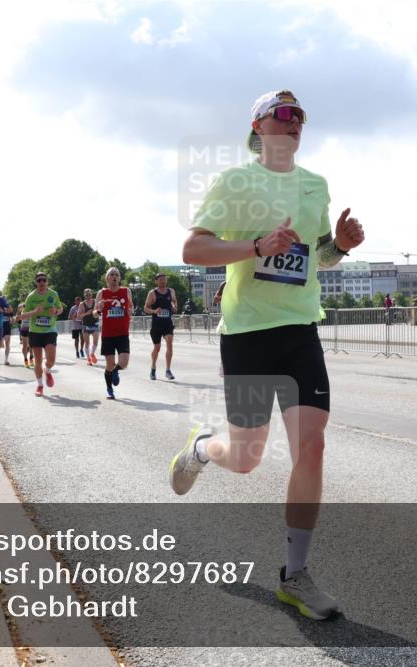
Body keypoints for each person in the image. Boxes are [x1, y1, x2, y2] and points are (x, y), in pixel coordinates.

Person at [168, 89, 364, 620]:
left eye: (301, 115)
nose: (295, 121)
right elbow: (194, 250)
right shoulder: (235, 181)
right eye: (283, 114)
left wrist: (340, 245)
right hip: (249, 332)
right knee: (248, 458)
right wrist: (256, 248)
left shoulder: (314, 185)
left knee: (313, 446)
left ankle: (294, 575)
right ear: (258, 126)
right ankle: (204, 449)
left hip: (300, 328)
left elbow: (318, 258)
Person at [22, 272, 64, 396]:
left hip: (50, 330)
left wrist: (56, 311)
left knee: (51, 359)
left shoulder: (53, 294)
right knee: (38, 361)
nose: (41, 282)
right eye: (39, 280)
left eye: (43, 280)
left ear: (47, 282)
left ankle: (48, 370)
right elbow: (23, 315)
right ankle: (40, 385)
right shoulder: (31, 297)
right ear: (36, 282)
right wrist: (35, 311)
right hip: (35, 331)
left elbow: (60, 309)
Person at [95, 268, 133, 400]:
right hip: (108, 334)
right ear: (107, 278)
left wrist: (130, 311)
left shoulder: (126, 291)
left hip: (122, 333)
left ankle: (116, 371)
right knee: (109, 364)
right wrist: (99, 310)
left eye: (117, 274)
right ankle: (109, 389)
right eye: (111, 275)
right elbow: (94, 313)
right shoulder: (102, 293)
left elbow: (131, 306)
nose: (114, 277)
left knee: (124, 362)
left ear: (119, 278)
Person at [145, 272, 177, 380]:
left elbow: (174, 302)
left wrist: (174, 307)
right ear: (156, 281)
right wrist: (154, 311)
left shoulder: (171, 291)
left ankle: (168, 370)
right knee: (157, 347)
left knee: (169, 344)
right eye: (160, 279)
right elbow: (146, 308)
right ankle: (153, 367)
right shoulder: (152, 293)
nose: (163, 281)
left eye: (164, 279)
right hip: (156, 324)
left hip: (168, 323)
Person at [78, 288, 100, 365]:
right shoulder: (82, 304)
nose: (88, 296)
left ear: (91, 294)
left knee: (96, 342)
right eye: (87, 295)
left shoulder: (95, 301)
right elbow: (78, 316)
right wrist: (86, 313)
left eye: (90, 295)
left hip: (95, 324)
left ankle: (92, 353)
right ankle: (88, 359)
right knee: (87, 343)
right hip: (85, 325)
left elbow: (99, 311)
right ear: (84, 295)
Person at [16, 304, 33, 368]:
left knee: (31, 345)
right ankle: (26, 360)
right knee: (25, 345)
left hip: (31, 329)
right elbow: (17, 320)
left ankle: (31, 358)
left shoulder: (31, 311)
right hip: (24, 329)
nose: (24, 308)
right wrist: (18, 316)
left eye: (24, 307)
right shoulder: (21, 313)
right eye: (23, 307)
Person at [2, 300, 13, 365]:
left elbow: (12, 318)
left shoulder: (9, 310)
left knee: (7, 344)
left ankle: (6, 360)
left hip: (7, 328)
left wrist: (12, 319)